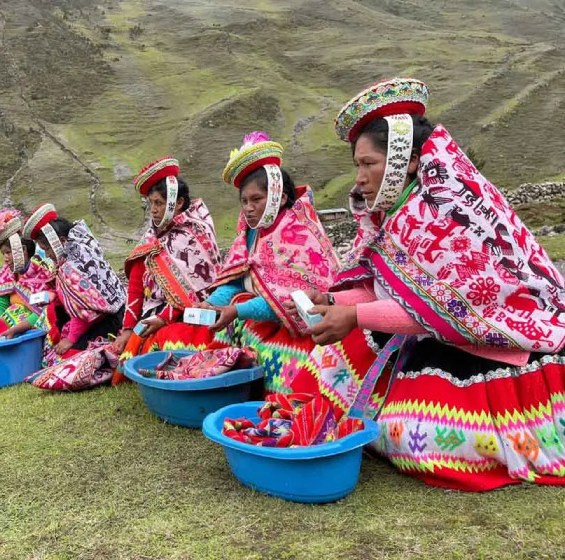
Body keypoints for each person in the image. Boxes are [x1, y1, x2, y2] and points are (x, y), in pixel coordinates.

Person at [293, 77, 565, 491]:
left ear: (410, 161)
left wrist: (354, 315)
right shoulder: (394, 213)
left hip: (488, 348)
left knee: (421, 443)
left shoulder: (451, 215)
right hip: (431, 334)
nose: (359, 178)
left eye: (368, 164)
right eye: (357, 165)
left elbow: (444, 311)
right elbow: (390, 290)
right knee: (326, 371)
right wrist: (332, 299)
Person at [200, 132, 341, 394]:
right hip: (261, 319)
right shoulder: (250, 233)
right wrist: (213, 303)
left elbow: (291, 301)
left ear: (280, 197)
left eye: (256, 199)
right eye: (244, 201)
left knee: (286, 366)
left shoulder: (297, 233)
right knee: (225, 328)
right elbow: (238, 279)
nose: (249, 208)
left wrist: (238, 311)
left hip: (302, 329)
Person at [109, 157, 221, 384]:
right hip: (156, 314)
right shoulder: (151, 240)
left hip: (201, 312)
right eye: (150, 203)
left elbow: (203, 287)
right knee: (141, 342)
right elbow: (136, 289)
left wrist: (164, 318)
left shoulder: (195, 232)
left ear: (177, 203)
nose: (153, 210)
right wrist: (128, 329)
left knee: (191, 339)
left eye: (159, 203)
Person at [23, 203, 126, 360]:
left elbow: (86, 312)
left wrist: (71, 340)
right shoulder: (83, 247)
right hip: (120, 313)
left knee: (69, 357)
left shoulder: (71, 268)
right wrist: (56, 292)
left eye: (47, 250)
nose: (48, 255)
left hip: (109, 322)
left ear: (62, 242)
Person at [0, 209, 55, 341]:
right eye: (3, 254)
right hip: (11, 331)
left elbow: (43, 311)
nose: (5, 259)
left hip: (36, 329)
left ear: (23, 250)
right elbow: (0, 301)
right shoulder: (8, 272)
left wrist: (16, 329)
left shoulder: (41, 272)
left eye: (8, 253)